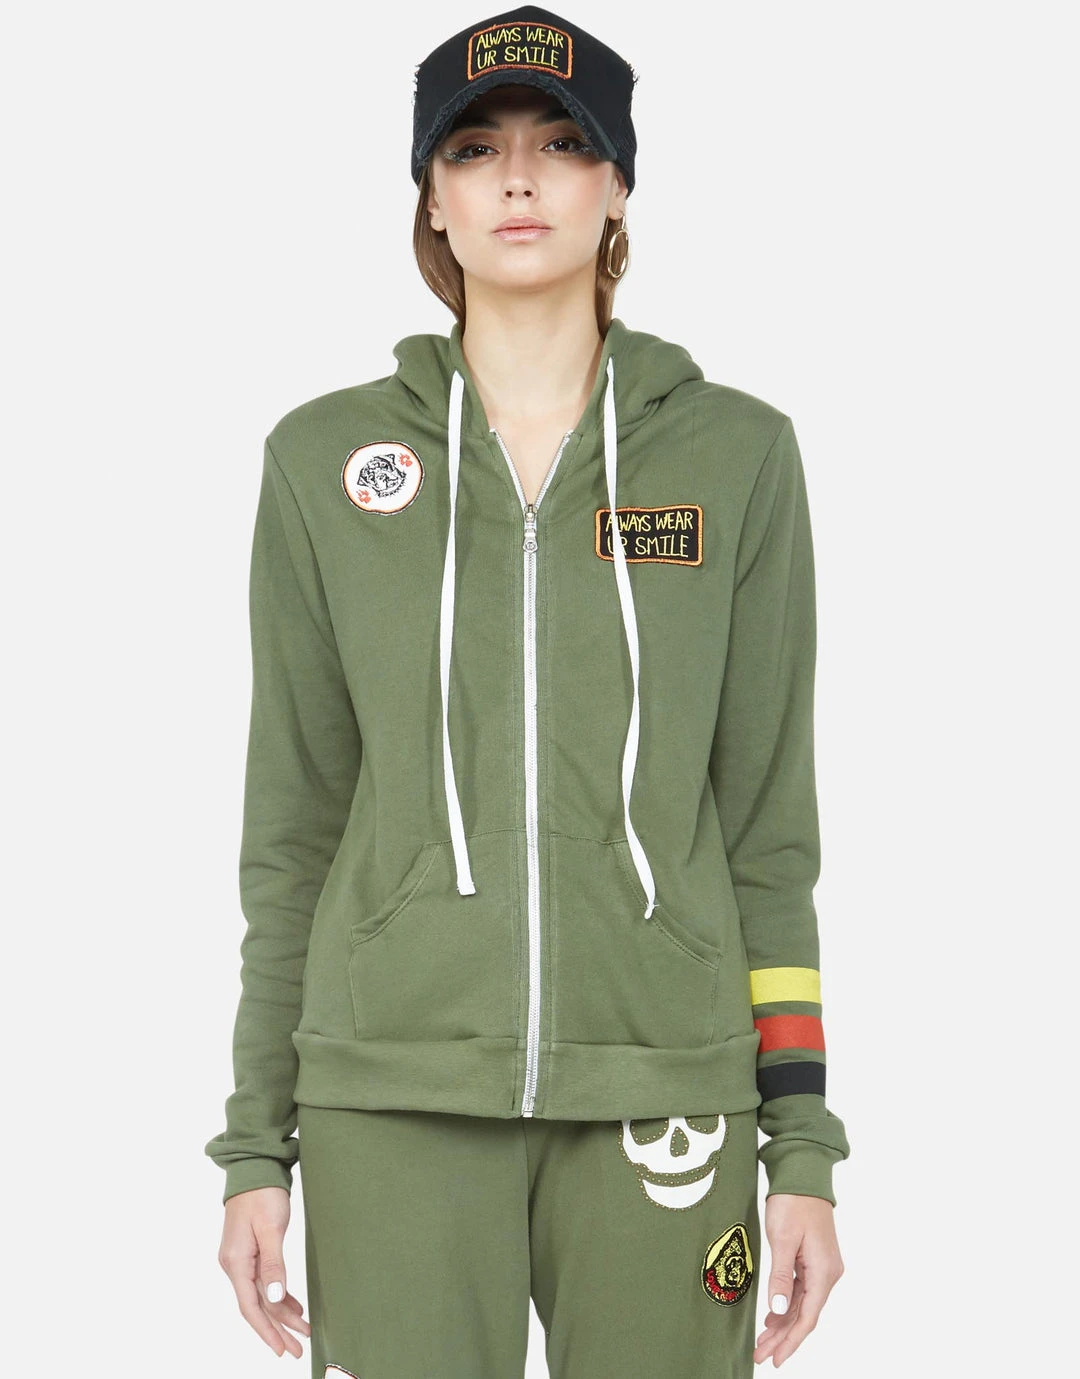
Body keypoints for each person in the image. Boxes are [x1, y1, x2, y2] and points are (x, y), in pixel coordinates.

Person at [205, 7, 851, 1375]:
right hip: (390, 1091)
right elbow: (294, 832)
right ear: (430, 199)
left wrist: (802, 1145)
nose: (517, 177)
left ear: (618, 186)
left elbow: (768, 831)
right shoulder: (322, 463)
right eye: (474, 148)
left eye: (562, 144)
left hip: (667, 1088)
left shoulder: (737, 457)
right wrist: (256, 1143)